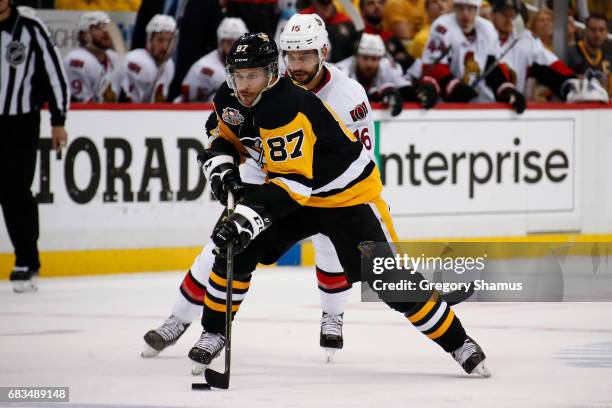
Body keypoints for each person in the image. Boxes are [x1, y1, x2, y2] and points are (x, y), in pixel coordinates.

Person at [187, 32, 491, 378]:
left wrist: (247, 217)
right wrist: (222, 166)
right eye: (238, 76)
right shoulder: (231, 97)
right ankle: (213, 331)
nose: (243, 85)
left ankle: (459, 342)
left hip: (344, 197)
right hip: (299, 193)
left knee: (387, 280)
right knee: (234, 250)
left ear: (272, 73)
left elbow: (293, 184)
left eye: (252, 75)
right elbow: (222, 136)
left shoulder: (286, 106)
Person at [142, 13, 376, 362]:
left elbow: (354, 156)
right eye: (291, 55)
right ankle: (178, 318)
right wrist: (222, 160)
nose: (297, 64)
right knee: (220, 247)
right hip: (264, 175)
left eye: (305, 55)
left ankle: (333, 314)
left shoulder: (346, 95)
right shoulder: (263, 86)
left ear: (323, 52)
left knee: (330, 244)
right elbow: (221, 126)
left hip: (321, 185)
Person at [0, 0, 69, 292]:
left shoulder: (30, 27)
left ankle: (27, 260)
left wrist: (58, 119)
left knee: (15, 190)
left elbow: (55, 74)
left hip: (21, 122)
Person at [420, 0, 527, 112]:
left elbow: (493, 68)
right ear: (454, 8)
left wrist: (506, 89)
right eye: (461, 8)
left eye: (470, 9)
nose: (465, 15)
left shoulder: (487, 29)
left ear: (477, 10)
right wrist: (454, 87)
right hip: (446, 106)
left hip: (480, 103)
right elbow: (433, 68)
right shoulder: (442, 26)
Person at [490, 0, 579, 101]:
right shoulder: (480, 34)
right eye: (504, 14)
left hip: (511, 106)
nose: (508, 19)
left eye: (512, 15)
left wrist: (572, 81)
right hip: (476, 105)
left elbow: (552, 64)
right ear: (492, 15)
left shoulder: (526, 39)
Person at [335, 33, 438, 114]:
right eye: (365, 57)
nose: (369, 64)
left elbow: (405, 90)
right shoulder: (342, 70)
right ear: (357, 56)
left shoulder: (387, 67)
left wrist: (420, 90)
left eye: (374, 59)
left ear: (381, 58)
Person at [179, 17, 248, 102]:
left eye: (237, 43)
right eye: (229, 42)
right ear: (221, 43)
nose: (234, 48)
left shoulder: (253, 66)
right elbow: (186, 99)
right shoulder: (203, 67)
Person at [117, 14, 176, 103]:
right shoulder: (136, 60)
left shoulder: (169, 65)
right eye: (160, 40)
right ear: (149, 40)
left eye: (169, 40)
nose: (165, 47)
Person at [63, 11, 120, 103]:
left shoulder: (113, 58)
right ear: (84, 35)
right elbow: (84, 105)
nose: (105, 31)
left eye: (106, 27)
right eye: (98, 27)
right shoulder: (77, 61)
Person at [567, 14, 611, 99]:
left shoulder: (609, 57)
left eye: (601, 30)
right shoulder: (570, 54)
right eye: (593, 30)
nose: (597, 34)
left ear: (606, 33)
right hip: (576, 105)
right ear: (585, 31)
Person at [360, 0, 413, 70]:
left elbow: (408, 61)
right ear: (362, 11)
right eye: (370, 3)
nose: (377, 6)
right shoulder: (359, 37)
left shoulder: (390, 36)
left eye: (380, 3)